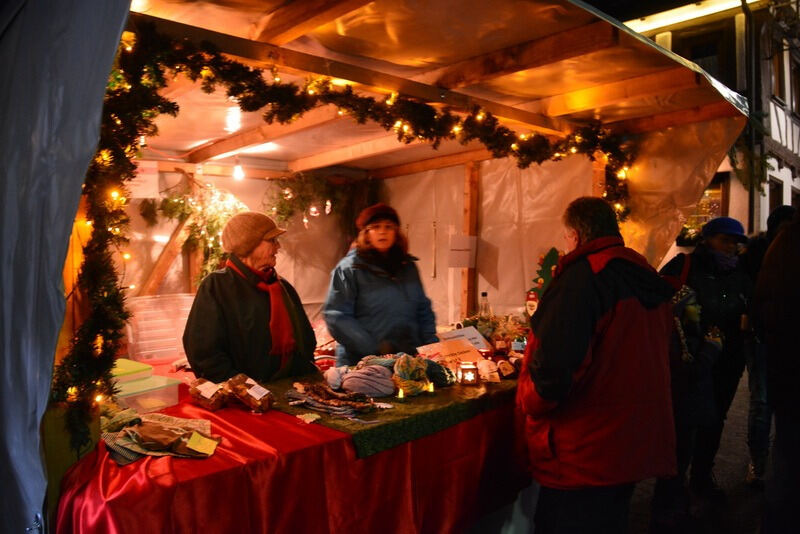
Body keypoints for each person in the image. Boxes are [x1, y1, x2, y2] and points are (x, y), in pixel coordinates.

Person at [517, 197, 676, 533]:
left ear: (574, 235)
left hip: (585, 451)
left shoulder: (584, 279)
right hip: (632, 442)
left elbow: (554, 369)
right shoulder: (642, 272)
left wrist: (529, 402)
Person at [660, 216, 751, 500]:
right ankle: (672, 489)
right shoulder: (685, 265)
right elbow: (661, 301)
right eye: (725, 240)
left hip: (728, 358)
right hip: (692, 358)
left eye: (734, 242)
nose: (730, 247)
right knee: (684, 423)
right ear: (708, 239)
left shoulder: (740, 273)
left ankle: (701, 477)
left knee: (716, 419)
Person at [183, 211, 317, 382]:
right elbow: (204, 353)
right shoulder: (217, 286)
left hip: (291, 392)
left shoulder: (282, 287)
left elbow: (305, 342)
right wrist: (245, 389)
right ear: (249, 244)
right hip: (243, 400)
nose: (278, 247)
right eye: (271, 241)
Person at [323, 203, 437, 366]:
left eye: (388, 227)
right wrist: (374, 349)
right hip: (362, 363)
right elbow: (337, 316)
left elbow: (423, 308)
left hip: (407, 359)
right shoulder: (349, 269)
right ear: (366, 234)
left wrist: (430, 346)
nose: (383, 231)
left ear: (396, 233)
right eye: (376, 227)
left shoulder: (408, 267)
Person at [740, 205, 795, 487]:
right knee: (763, 402)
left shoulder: (774, 252)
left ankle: (768, 465)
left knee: (770, 402)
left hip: (776, 338)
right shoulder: (761, 252)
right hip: (763, 337)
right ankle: (759, 463)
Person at [753, 209, 800, 533]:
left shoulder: (785, 244)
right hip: (792, 370)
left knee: (787, 453)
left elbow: (763, 308)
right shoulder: (789, 246)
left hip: (787, 370)